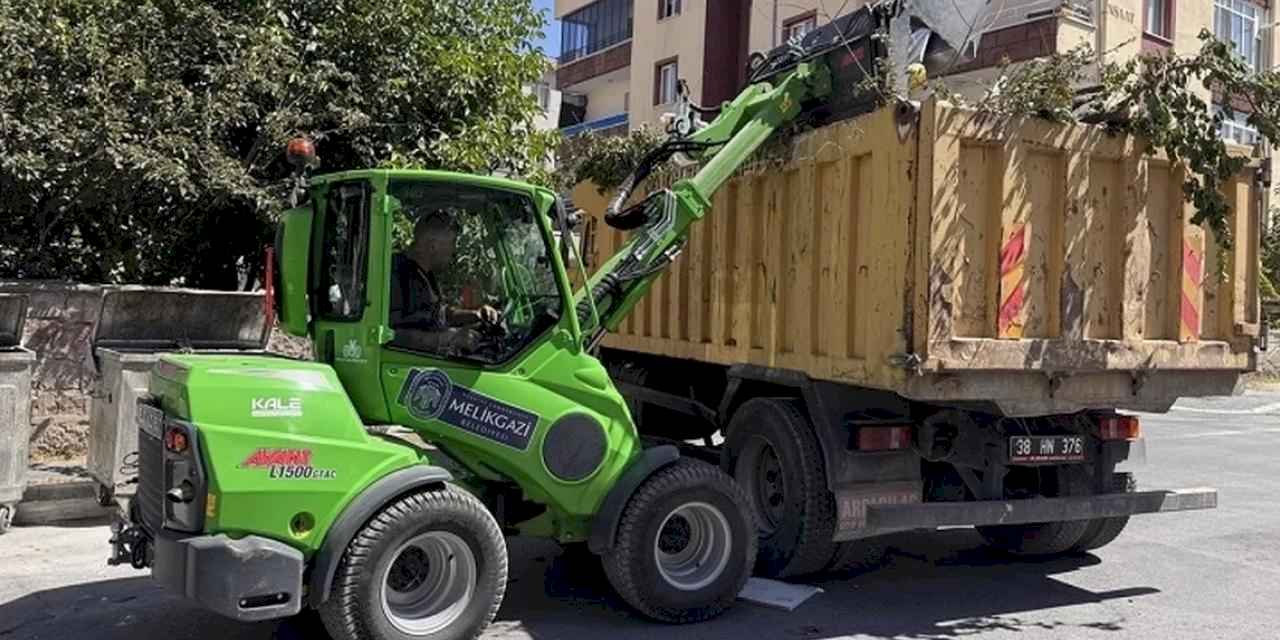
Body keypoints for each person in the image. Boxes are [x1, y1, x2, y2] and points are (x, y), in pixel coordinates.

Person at [389, 211, 500, 353]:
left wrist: (476, 314)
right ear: (433, 245)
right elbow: (392, 334)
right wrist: (448, 339)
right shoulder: (396, 274)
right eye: (452, 243)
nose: (454, 251)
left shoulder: (425, 274)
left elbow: (439, 314)